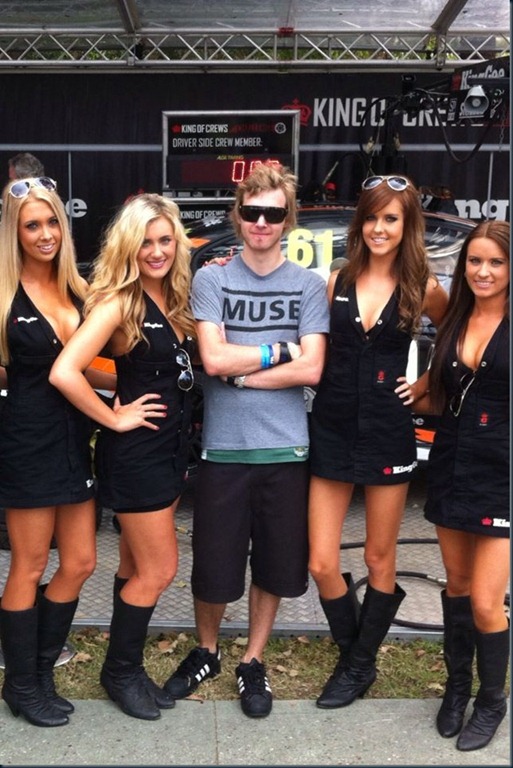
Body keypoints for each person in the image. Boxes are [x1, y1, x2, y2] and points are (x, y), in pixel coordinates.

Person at [163, 162, 329, 718]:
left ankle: (253, 659)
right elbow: (212, 359)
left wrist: (243, 375)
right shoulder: (211, 279)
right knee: (213, 565)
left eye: (272, 214)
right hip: (223, 450)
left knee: (276, 566)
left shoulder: (308, 285)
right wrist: (279, 351)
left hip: (287, 449)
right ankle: (207, 651)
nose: (261, 222)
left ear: (288, 220)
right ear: (237, 215)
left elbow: (312, 369)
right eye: (252, 212)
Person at [49, 193, 196, 721]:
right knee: (160, 569)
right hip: (137, 456)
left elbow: (135, 370)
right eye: (145, 242)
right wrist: (112, 417)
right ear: (128, 247)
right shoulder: (119, 302)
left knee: (135, 565)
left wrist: (122, 388)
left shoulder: (174, 297)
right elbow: (65, 370)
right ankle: (120, 671)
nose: (156, 252)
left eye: (165, 240)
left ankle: (126, 668)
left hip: (170, 451)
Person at [307, 174, 449, 709]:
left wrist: (427, 383)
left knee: (378, 556)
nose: (379, 228)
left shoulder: (422, 286)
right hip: (332, 426)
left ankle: (355, 666)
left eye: (391, 218)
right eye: (371, 217)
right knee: (321, 561)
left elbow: (456, 335)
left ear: (407, 225)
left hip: (389, 431)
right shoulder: (336, 280)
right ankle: (358, 659)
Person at [0, 176, 111, 727]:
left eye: (52, 223)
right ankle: (20, 685)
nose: (45, 234)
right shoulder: (3, 295)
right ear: (14, 233)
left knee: (82, 561)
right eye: (32, 226)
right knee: (30, 564)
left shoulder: (78, 289)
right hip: (26, 443)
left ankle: (40, 675)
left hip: (73, 441)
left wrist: (129, 393)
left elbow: (86, 367)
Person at [413, 220, 509, 752]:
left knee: (488, 603)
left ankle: (491, 701)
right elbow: (438, 389)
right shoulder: (454, 317)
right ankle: (456, 690)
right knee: (456, 584)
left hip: (501, 473)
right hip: (451, 464)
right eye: (475, 260)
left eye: (496, 262)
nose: (483, 271)